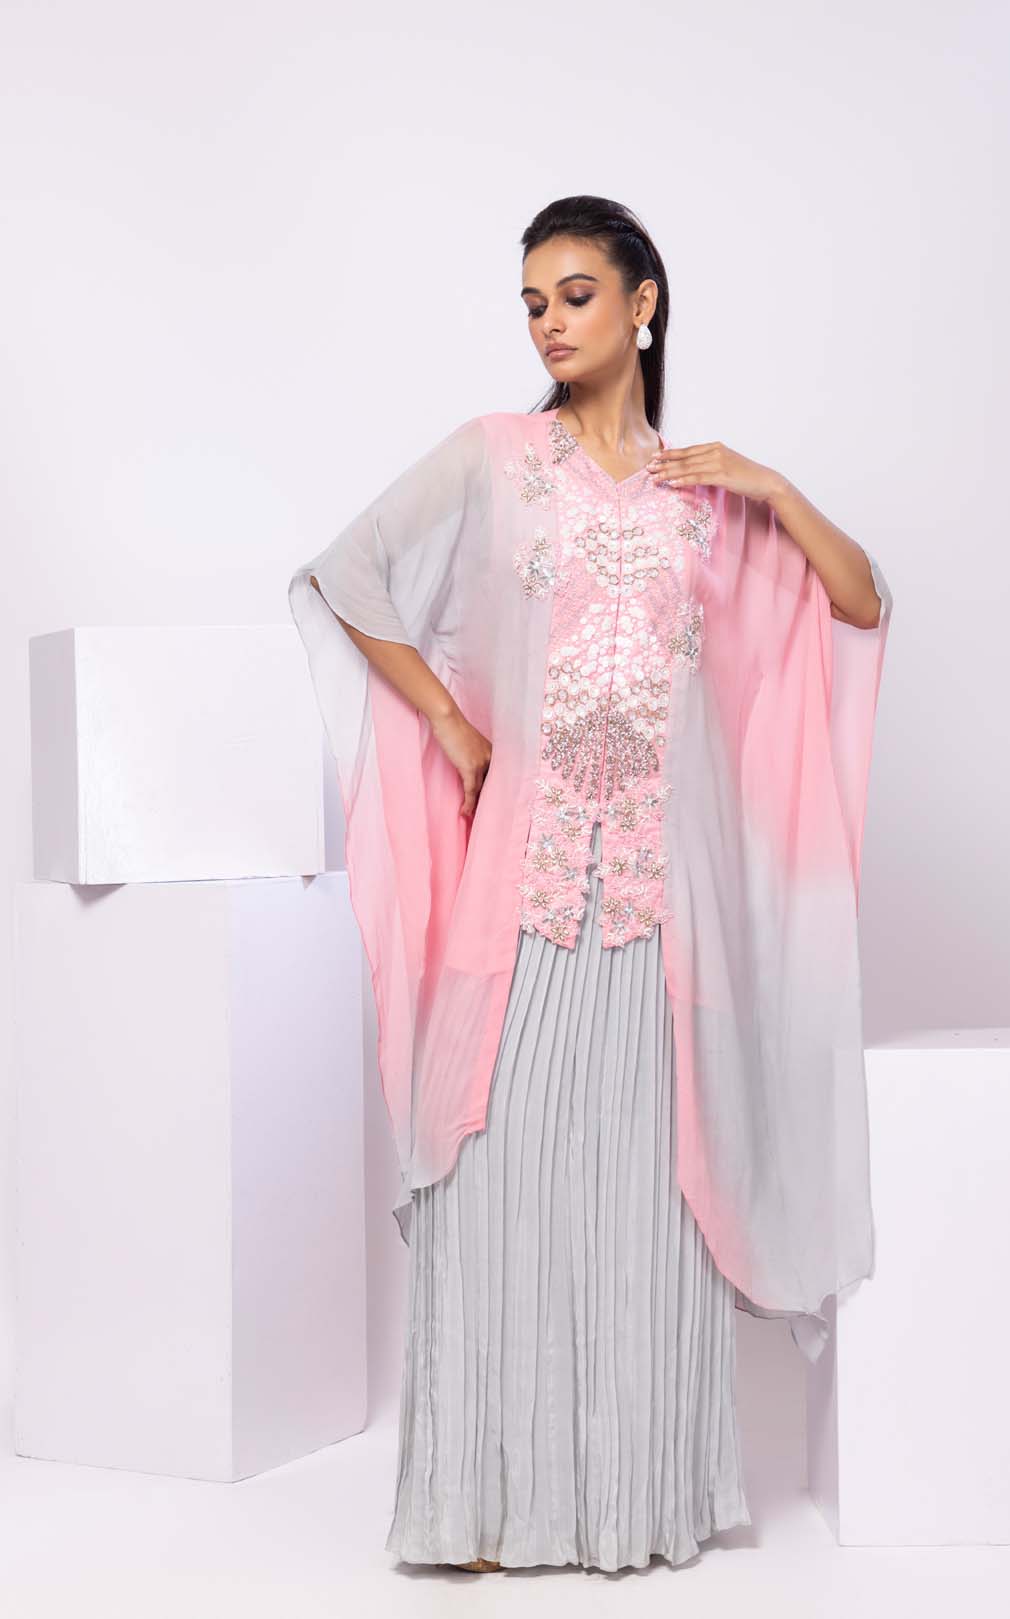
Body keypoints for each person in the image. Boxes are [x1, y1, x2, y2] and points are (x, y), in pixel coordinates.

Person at [288, 195, 893, 1573]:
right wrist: (452, 727)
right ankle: (476, 1508)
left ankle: (631, 1504)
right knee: (494, 1194)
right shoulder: (498, 460)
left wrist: (774, 490)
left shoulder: (706, 500)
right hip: (523, 895)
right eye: (531, 304)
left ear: (643, 305)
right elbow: (350, 570)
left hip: (663, 918)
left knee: (642, 1206)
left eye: (573, 295)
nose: (549, 324)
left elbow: (859, 601)